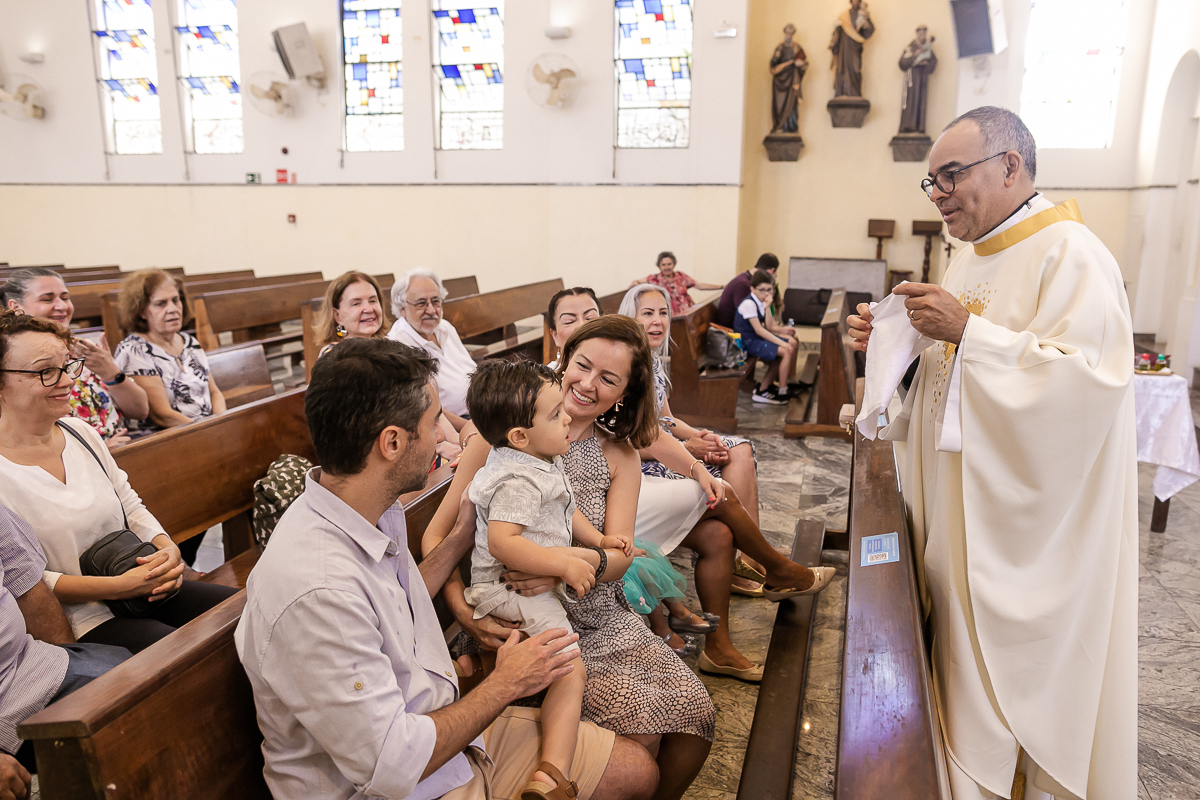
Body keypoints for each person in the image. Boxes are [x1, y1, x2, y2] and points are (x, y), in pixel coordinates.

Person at [847, 106, 1136, 800]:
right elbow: (948, 377)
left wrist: (969, 333)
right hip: (957, 511)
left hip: (1021, 531)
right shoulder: (970, 252)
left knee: (1004, 675)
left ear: (1010, 166)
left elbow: (1088, 385)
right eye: (932, 181)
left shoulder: (1073, 254)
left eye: (951, 175)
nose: (939, 194)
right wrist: (899, 351)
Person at [235, 337, 657, 800]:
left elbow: (393, 598)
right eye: (434, 421)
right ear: (392, 443)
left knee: (637, 771)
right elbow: (391, 762)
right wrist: (505, 683)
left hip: (439, 730)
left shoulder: (365, 506)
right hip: (402, 785)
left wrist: (459, 538)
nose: (444, 435)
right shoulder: (316, 590)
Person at [423, 316, 715, 800]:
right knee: (641, 732)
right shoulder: (503, 436)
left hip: (598, 611)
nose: (587, 384)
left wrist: (572, 564)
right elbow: (440, 535)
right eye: (582, 365)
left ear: (623, 393)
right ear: (564, 359)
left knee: (695, 708)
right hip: (517, 615)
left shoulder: (618, 455)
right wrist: (460, 607)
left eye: (608, 379)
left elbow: (619, 555)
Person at [0, 312, 237, 653]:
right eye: (46, 371)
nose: (67, 381)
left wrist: (166, 549)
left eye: (67, 366)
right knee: (183, 652)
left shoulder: (80, 432)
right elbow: (26, 580)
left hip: (139, 584)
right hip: (80, 618)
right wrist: (120, 586)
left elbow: (130, 505)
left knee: (243, 611)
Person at [465, 359, 635, 800]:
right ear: (519, 436)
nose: (567, 419)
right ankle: (552, 773)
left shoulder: (538, 459)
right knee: (569, 668)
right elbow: (502, 542)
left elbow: (564, 509)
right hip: (508, 586)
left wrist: (598, 540)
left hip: (523, 580)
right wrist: (560, 565)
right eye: (556, 414)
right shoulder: (518, 479)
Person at [621, 283, 767, 609]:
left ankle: (747, 561)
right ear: (630, 318)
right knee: (725, 467)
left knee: (737, 448)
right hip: (645, 460)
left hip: (666, 444)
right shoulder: (625, 366)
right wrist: (687, 447)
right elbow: (628, 441)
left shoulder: (652, 360)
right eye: (648, 313)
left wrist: (701, 434)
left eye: (663, 313)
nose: (657, 321)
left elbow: (666, 419)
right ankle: (747, 563)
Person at [0, 505, 131, 778]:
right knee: (128, 722)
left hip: (29, 662)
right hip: (6, 704)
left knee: (141, 673)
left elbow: (24, 581)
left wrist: (72, 655)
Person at [2, 267, 149, 451]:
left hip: (125, 446)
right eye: (47, 299)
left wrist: (110, 372)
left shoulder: (88, 349)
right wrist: (99, 449)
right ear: (15, 307)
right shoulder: (14, 362)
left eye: (65, 298)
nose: (62, 306)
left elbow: (140, 411)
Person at [113, 269, 227, 433]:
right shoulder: (134, 350)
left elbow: (214, 392)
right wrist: (209, 432)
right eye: (161, 304)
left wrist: (222, 423)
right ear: (141, 311)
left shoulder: (190, 342)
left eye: (175, 300)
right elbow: (162, 415)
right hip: (166, 437)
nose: (172, 309)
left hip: (203, 430)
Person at [735, 271, 799, 405]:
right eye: (762, 290)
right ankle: (782, 392)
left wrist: (768, 306)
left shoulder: (761, 302)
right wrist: (782, 342)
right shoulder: (749, 304)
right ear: (752, 289)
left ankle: (764, 388)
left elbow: (769, 326)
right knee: (786, 351)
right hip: (746, 343)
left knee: (788, 346)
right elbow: (759, 330)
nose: (766, 293)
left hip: (756, 339)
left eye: (769, 289)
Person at [311, 271, 392, 358]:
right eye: (356, 304)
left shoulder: (389, 347)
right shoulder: (334, 357)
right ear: (337, 316)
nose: (369, 309)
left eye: (372, 301)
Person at [632, 252, 722, 316]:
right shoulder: (654, 279)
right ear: (659, 266)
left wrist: (721, 287)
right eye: (663, 265)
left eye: (669, 264)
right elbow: (636, 282)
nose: (666, 267)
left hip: (688, 313)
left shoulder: (681, 276)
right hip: (671, 316)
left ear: (673, 264)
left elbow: (698, 285)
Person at [715, 253, 779, 329]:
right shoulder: (743, 285)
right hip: (732, 330)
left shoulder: (745, 279)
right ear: (771, 271)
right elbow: (747, 319)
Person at [546, 287, 602, 366]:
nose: (582, 325)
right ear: (555, 335)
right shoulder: (548, 373)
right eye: (569, 321)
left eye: (590, 318)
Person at [829, 0, 874, 98]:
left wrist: (865, 22)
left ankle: (854, 94)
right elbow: (837, 31)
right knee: (842, 68)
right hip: (843, 48)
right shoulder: (844, 16)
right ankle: (841, 93)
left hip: (855, 47)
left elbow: (869, 30)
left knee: (855, 69)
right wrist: (834, 42)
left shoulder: (863, 14)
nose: (855, 1)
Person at [770, 25, 807, 134]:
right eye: (787, 34)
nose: (788, 36)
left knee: (792, 104)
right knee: (779, 105)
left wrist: (801, 64)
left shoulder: (797, 48)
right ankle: (779, 126)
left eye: (790, 34)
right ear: (784, 34)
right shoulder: (779, 48)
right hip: (780, 82)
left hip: (792, 80)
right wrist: (784, 62)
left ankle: (791, 127)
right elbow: (773, 65)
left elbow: (804, 64)